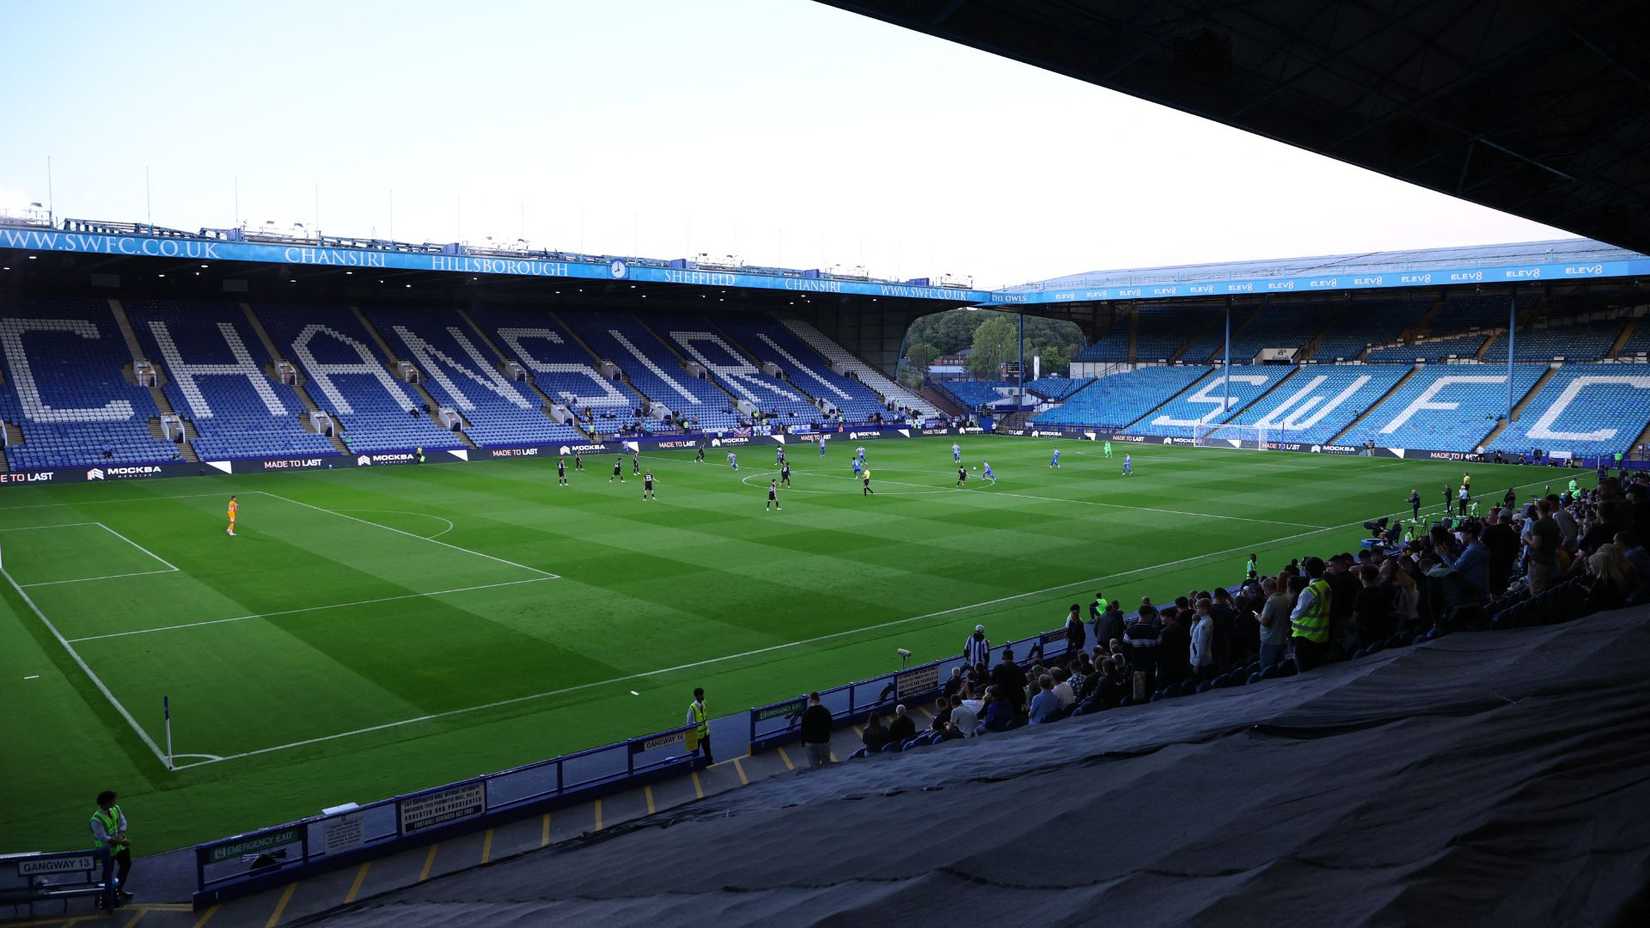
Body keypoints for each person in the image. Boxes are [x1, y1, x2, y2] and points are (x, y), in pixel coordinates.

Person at [90, 790, 132, 909]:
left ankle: (117, 890)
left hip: (119, 846)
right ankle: (103, 898)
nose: (116, 801)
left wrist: (121, 833)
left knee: (126, 865)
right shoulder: (96, 820)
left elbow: (122, 821)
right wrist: (122, 840)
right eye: (114, 799)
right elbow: (103, 838)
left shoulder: (115, 808)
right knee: (107, 874)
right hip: (106, 850)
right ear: (107, 802)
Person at [1290, 557, 1333, 672]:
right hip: (1322, 636)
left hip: (1306, 639)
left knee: (1305, 673)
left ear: (1307, 571)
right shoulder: (1326, 586)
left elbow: (1295, 614)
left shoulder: (1309, 591)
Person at [1256, 575, 1291, 673]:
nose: (1264, 592)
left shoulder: (1271, 601)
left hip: (1270, 640)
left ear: (1267, 589)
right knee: (1280, 666)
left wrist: (1258, 617)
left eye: (1264, 589)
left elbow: (1265, 622)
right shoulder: (1285, 598)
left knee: (1267, 669)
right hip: (1282, 638)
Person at [799, 692, 833, 768]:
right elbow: (830, 726)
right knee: (827, 765)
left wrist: (803, 742)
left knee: (814, 767)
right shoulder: (825, 711)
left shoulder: (806, 713)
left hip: (810, 743)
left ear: (810, 700)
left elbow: (803, 729)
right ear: (819, 699)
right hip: (824, 741)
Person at [1189, 599, 1215, 682]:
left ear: (1205, 609)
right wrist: (1194, 622)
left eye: (1198, 608)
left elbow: (1201, 645)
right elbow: (1191, 634)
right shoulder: (1202, 621)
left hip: (1202, 662)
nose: (1196, 610)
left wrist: (1197, 664)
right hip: (1199, 659)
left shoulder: (1206, 623)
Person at [685, 688, 712, 762]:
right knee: (695, 753)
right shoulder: (692, 707)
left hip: (705, 733)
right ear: (697, 696)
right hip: (696, 735)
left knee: (707, 750)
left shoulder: (703, 703)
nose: (703, 695)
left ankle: (710, 762)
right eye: (702, 694)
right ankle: (695, 766)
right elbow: (689, 722)